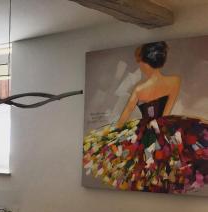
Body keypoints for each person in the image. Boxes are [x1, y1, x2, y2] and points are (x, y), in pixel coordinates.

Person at [83, 41, 207, 194]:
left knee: (148, 168)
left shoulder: (140, 89)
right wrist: (163, 128)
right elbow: (166, 112)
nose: (139, 65)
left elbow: (123, 118)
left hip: (147, 130)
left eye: (140, 61)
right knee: (169, 165)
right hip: (166, 125)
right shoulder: (175, 80)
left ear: (145, 64)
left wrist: (111, 136)